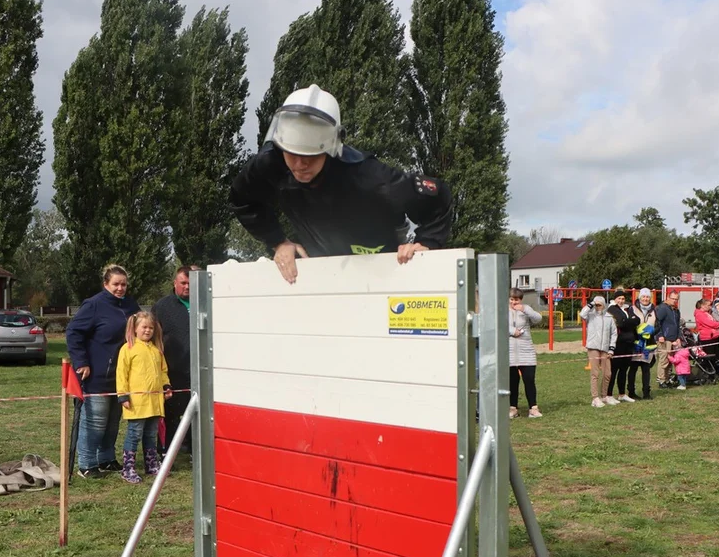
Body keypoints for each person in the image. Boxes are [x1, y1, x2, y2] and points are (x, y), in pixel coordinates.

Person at [229, 84, 455, 284]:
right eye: (291, 154)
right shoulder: (270, 163)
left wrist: (427, 243)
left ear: (329, 149)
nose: (299, 165)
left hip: (382, 266)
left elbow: (439, 196)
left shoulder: (369, 176)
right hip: (325, 268)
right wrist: (278, 241)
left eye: (310, 156)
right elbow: (243, 200)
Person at [66, 264, 141, 478]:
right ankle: (87, 463)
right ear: (106, 284)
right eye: (116, 284)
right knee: (95, 420)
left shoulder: (131, 305)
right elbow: (73, 332)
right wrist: (81, 362)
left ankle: (107, 459)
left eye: (123, 284)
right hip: (95, 373)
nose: (120, 288)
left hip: (122, 375)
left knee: (112, 420)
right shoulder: (93, 305)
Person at [116, 311, 173, 484]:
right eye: (144, 327)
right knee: (134, 434)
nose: (148, 331)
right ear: (134, 328)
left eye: (151, 328)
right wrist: (123, 395)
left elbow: (163, 372)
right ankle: (128, 468)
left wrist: (166, 386)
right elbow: (121, 374)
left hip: (155, 402)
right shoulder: (128, 349)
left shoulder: (157, 350)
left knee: (150, 434)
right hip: (137, 403)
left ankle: (151, 464)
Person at [152, 265, 198, 457]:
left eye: (191, 282)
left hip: (199, 369)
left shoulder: (206, 301)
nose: (187, 287)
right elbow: (152, 336)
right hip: (172, 369)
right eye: (183, 283)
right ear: (175, 283)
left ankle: (193, 448)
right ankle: (166, 451)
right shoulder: (162, 307)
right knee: (170, 413)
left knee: (198, 413)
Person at [507, 289, 542, 419]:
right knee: (512, 381)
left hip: (526, 351)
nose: (514, 302)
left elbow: (538, 319)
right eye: (511, 299)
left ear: (521, 300)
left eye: (516, 299)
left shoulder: (526, 309)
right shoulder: (503, 311)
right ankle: (513, 408)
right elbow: (498, 325)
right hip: (509, 352)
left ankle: (533, 408)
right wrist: (512, 331)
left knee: (529, 379)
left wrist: (525, 310)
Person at [580, 296, 617, 408]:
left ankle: (604, 395)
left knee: (607, 373)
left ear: (604, 305)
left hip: (605, 348)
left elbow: (614, 333)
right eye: (596, 305)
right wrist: (590, 304)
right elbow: (582, 314)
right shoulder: (590, 316)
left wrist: (611, 348)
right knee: (595, 373)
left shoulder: (609, 317)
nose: (597, 307)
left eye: (599, 304)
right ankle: (595, 398)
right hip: (593, 347)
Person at [606, 289, 639, 403]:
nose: (621, 300)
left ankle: (622, 393)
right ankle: (608, 394)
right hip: (618, 344)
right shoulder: (611, 309)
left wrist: (628, 320)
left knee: (624, 370)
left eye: (623, 298)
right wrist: (630, 320)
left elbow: (637, 320)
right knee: (613, 370)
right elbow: (620, 322)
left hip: (629, 343)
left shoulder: (627, 308)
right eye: (619, 298)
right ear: (615, 299)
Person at [628, 288, 657, 400]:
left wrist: (652, 330)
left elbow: (658, 325)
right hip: (636, 343)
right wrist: (637, 333)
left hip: (648, 343)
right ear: (639, 298)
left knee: (646, 369)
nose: (645, 299)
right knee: (633, 368)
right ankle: (631, 392)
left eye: (647, 297)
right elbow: (629, 324)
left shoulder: (655, 310)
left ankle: (646, 393)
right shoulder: (632, 308)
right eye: (643, 297)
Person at [654, 290, 681, 388]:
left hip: (673, 339)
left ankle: (667, 378)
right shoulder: (663, 308)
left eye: (676, 299)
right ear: (668, 298)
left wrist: (678, 337)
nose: (674, 301)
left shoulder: (676, 310)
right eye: (673, 299)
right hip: (664, 339)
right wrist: (659, 335)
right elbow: (657, 322)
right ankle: (661, 380)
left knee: (670, 361)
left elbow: (678, 325)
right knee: (664, 360)